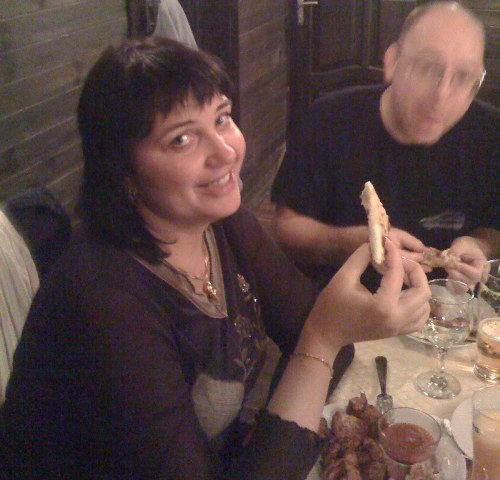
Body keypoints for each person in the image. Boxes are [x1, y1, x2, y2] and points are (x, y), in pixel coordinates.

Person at [0, 37, 431, 479]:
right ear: (123, 170)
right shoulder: (103, 299)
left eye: (222, 118)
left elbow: (317, 334)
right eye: (182, 138)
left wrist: (279, 429)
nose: (226, 152)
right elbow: (320, 339)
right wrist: (321, 342)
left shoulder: (220, 223)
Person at [271, 1, 499, 291]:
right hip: (345, 302)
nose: (442, 95)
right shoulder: (328, 119)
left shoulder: (490, 133)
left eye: (463, 77)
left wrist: (480, 245)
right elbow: (286, 229)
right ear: (392, 62)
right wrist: (356, 245)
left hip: (450, 309)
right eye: (427, 68)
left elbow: (494, 226)